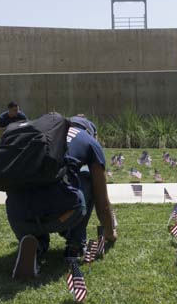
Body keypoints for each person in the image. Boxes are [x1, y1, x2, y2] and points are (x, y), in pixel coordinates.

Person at [7, 115, 117, 279]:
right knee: (87, 178)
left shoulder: (44, 133)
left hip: (18, 215)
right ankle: (75, 245)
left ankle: (35, 245)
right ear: (92, 132)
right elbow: (102, 203)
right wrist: (110, 232)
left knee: (38, 189)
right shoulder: (89, 141)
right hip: (60, 216)